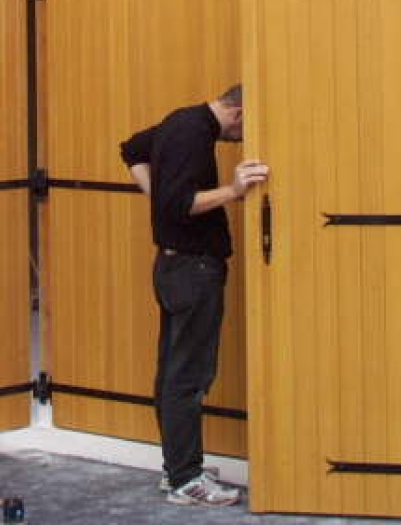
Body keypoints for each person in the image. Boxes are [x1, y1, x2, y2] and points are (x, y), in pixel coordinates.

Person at [118, 85, 268, 507]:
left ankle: (178, 468)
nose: (243, 138)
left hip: (173, 268)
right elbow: (179, 204)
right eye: (247, 127)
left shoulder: (179, 120)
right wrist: (234, 191)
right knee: (188, 377)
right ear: (237, 112)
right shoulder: (191, 134)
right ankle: (186, 480)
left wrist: (157, 195)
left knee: (172, 373)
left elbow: (130, 150)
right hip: (194, 271)